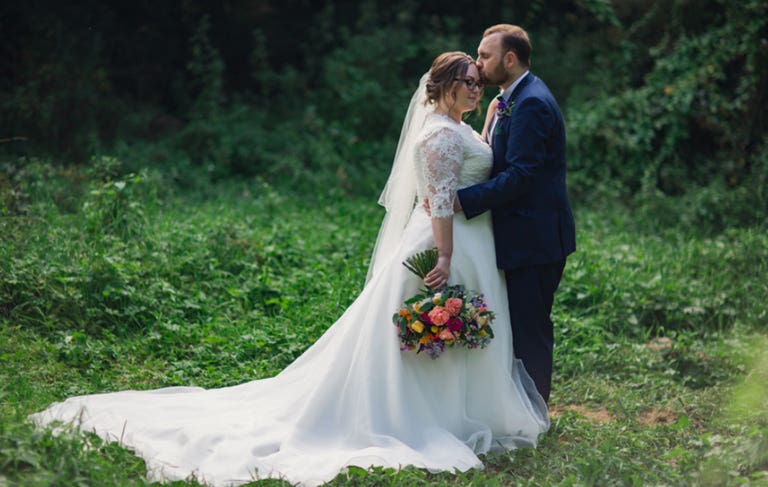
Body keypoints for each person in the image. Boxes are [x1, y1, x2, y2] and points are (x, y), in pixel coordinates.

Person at [30, 52, 548, 487]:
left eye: (480, 83)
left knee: (462, 335)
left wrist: (486, 124)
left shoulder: (457, 125)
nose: (477, 89)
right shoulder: (436, 136)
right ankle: (418, 414)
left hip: (472, 244)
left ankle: (462, 410)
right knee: (424, 335)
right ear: (443, 87)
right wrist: (443, 258)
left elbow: (474, 162)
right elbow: (438, 202)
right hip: (442, 246)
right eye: (469, 83)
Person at [456, 25, 576, 403]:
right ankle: (516, 406)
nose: (478, 62)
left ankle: (536, 414)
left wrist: (465, 199)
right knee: (518, 326)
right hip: (520, 235)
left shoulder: (532, 102)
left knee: (530, 329)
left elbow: (522, 174)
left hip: (535, 240)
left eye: (485, 55)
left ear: (510, 59)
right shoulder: (513, 97)